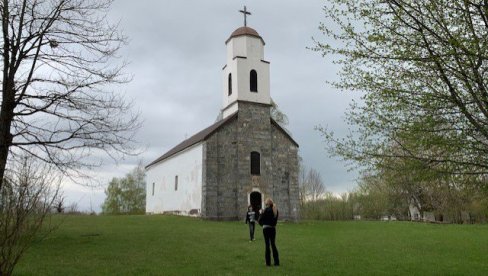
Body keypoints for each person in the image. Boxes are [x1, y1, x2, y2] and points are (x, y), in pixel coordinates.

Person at [258, 198, 280, 266]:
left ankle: (268, 263)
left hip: (266, 229)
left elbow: (260, 220)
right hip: (273, 229)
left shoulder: (266, 210)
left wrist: (261, 213)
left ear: (267, 204)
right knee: (273, 244)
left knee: (267, 245)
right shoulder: (275, 210)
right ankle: (276, 262)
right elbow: (274, 221)